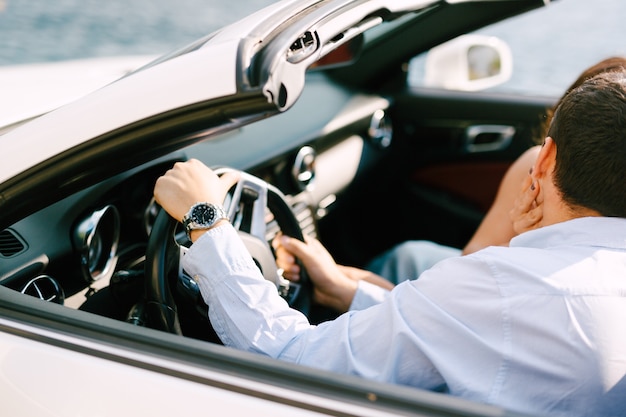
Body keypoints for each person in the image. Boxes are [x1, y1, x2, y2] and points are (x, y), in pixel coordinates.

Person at [153, 71, 626, 417]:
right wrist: (349, 294)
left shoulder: (500, 285)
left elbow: (287, 357)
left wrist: (206, 221)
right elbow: (491, 331)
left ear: (544, 159)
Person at [295, 56, 626, 298]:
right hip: (495, 293)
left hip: (490, 297)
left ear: (548, 155)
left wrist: (353, 295)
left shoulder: (535, 168)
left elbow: (470, 289)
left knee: (404, 258)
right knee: (409, 257)